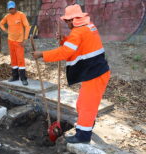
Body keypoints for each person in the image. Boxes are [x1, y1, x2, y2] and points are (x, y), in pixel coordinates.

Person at [32, 4, 110, 144]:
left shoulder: (78, 32)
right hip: (95, 72)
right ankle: (86, 126)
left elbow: (65, 52)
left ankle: (83, 136)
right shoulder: (88, 27)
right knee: (82, 103)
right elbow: (78, 46)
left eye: (67, 21)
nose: (66, 23)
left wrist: (41, 54)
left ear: (74, 19)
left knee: (86, 105)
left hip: (95, 74)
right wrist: (64, 40)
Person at [0, 1, 30, 86]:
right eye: (10, 9)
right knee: (13, 59)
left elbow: (27, 26)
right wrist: (5, 30)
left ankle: (23, 78)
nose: (11, 10)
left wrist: (25, 39)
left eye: (12, 8)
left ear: (15, 7)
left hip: (19, 41)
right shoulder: (7, 16)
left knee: (20, 59)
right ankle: (15, 76)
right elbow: (1, 23)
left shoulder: (21, 15)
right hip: (10, 40)